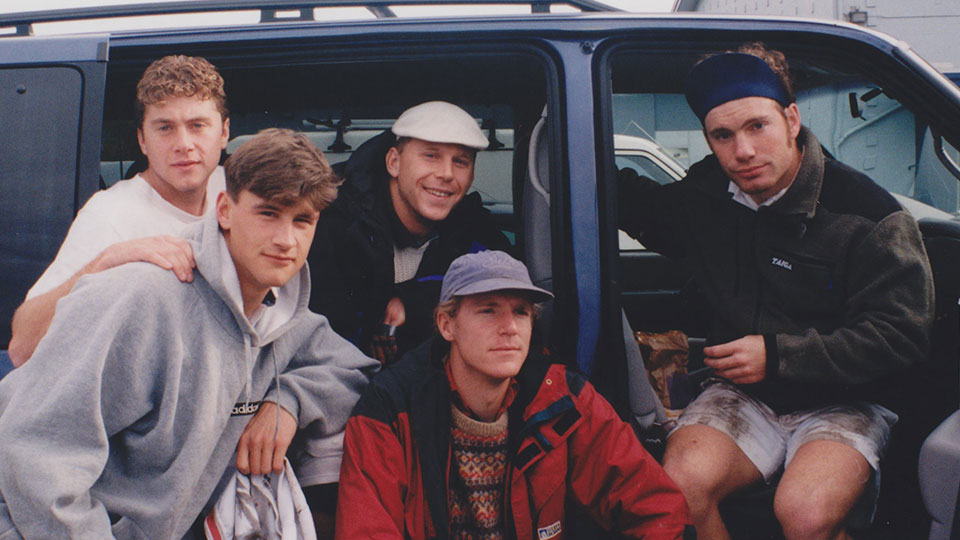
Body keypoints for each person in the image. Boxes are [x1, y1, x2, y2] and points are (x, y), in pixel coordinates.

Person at [617, 43, 934, 539]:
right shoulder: (705, 196)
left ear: (791, 119)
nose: (742, 151)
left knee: (805, 512)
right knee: (677, 488)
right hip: (742, 395)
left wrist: (779, 355)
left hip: (846, 400)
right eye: (722, 135)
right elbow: (645, 210)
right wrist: (563, 144)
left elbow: (900, 336)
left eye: (757, 126)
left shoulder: (868, 217)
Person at [0, 128, 379, 540]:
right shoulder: (142, 298)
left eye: (302, 220)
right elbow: (36, 453)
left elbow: (354, 371)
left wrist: (287, 401)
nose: (286, 240)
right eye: (268, 214)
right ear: (225, 210)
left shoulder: (282, 315)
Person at [335, 250, 695, 540]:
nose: (509, 328)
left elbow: (658, 510)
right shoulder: (390, 408)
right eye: (488, 311)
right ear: (447, 325)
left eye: (521, 312)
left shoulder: (565, 399)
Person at [8, 54, 230, 366]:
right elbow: (22, 348)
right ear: (142, 140)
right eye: (165, 128)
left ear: (224, 132)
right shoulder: (110, 214)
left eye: (197, 125)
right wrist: (107, 260)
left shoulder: (240, 193)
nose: (184, 143)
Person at [307, 101, 512, 366]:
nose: (447, 174)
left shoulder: (476, 231)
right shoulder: (333, 228)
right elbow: (320, 341)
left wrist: (414, 300)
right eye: (431, 156)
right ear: (394, 162)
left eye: (460, 162)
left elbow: (508, 298)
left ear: (471, 177)